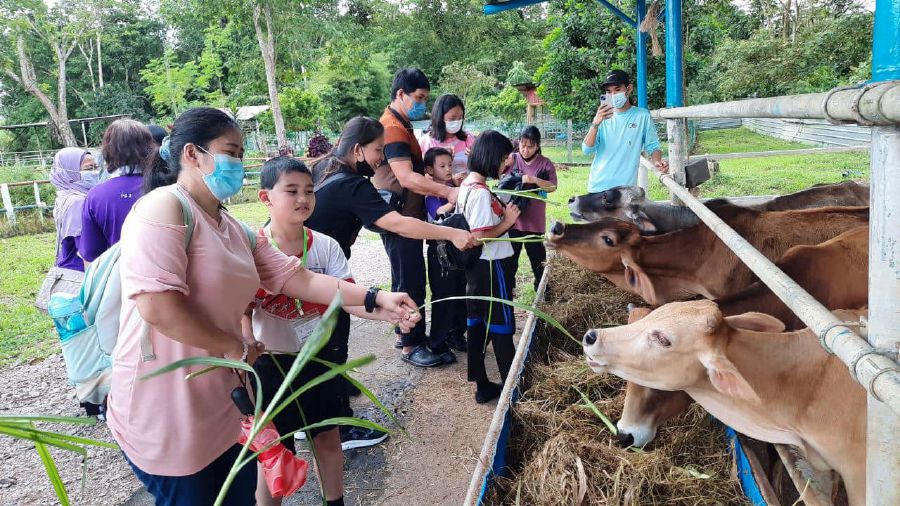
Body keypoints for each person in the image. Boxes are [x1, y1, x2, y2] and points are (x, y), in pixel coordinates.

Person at [108, 107, 419, 505]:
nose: (238, 163)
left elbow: (300, 279)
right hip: (169, 402)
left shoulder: (232, 227)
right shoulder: (164, 208)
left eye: (240, 155)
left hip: (222, 397)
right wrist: (232, 345)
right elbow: (158, 307)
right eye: (230, 152)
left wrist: (378, 299)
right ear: (192, 154)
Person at [243, 157, 416, 506]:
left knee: (326, 436)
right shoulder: (253, 250)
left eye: (309, 191)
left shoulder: (324, 246)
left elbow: (344, 299)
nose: (303, 198)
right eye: (291, 191)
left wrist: (388, 315)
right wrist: (247, 338)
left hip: (317, 361)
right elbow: (241, 309)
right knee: (274, 449)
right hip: (271, 367)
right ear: (266, 198)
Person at [307, 116, 476, 446]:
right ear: (357, 150)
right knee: (331, 338)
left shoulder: (326, 167)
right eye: (377, 150)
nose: (380, 158)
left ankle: (320, 402)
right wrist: (452, 233)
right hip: (315, 273)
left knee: (315, 343)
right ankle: (337, 428)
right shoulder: (349, 184)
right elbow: (399, 224)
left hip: (307, 265)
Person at [374, 68, 464, 368]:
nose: (423, 105)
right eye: (419, 98)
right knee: (410, 282)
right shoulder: (393, 129)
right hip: (399, 220)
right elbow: (406, 177)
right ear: (401, 94)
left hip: (406, 218)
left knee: (406, 277)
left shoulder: (403, 124)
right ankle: (411, 346)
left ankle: (407, 332)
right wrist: (446, 191)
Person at [457, 130, 521, 404]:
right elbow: (480, 234)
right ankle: (513, 389)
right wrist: (507, 222)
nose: (507, 164)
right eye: (505, 158)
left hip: (475, 271)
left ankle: (482, 383)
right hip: (491, 265)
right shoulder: (481, 193)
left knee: (477, 323)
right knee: (501, 324)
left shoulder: (467, 187)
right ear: (492, 157)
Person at [79, 119, 155, 264]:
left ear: (108, 151)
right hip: (166, 278)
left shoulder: (96, 196)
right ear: (149, 147)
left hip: (119, 280)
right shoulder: (165, 187)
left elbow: (91, 255)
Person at [582, 70, 668, 193]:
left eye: (617, 90)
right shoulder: (603, 117)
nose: (613, 95)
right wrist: (595, 123)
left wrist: (657, 161)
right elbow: (586, 149)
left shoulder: (642, 115)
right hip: (598, 187)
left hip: (625, 191)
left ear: (629, 89)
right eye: (608, 92)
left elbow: (653, 146)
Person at [423, 147, 468, 361]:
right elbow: (437, 213)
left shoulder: (452, 186)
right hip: (440, 251)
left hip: (458, 249)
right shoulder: (432, 191)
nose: (448, 169)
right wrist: (454, 199)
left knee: (461, 294)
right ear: (429, 170)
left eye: (450, 165)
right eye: (442, 166)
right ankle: (437, 343)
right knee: (443, 298)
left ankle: (456, 335)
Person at [503, 126, 557, 291]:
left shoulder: (545, 164)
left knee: (538, 263)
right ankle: (507, 294)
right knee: (509, 263)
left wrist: (533, 179)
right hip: (512, 221)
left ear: (537, 145)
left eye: (530, 146)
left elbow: (552, 187)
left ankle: (543, 296)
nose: (525, 150)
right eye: (522, 145)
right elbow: (498, 176)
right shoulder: (511, 159)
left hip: (534, 222)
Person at [50, 148, 98, 272]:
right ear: (68, 173)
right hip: (80, 269)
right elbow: (86, 249)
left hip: (69, 263)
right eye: (88, 169)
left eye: (95, 167)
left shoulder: (64, 195)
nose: (95, 173)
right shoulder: (77, 202)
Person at [419, 93, 476, 175]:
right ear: (440, 117)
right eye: (452, 118)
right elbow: (422, 172)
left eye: (460, 118)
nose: (457, 121)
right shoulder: (426, 142)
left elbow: (481, 167)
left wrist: (475, 158)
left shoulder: (468, 138)